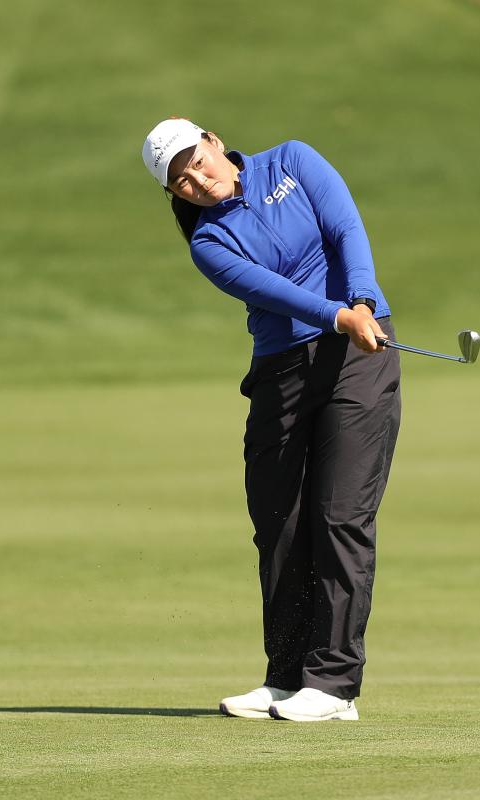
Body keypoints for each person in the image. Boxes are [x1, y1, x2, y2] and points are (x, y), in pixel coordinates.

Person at [141, 118, 401, 722]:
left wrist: (361, 301)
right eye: (181, 181)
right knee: (278, 520)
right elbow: (276, 292)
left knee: (340, 517)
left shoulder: (292, 160)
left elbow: (346, 228)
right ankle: (286, 678)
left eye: (196, 162)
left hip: (358, 359)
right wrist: (338, 314)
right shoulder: (208, 244)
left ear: (212, 141)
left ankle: (334, 687)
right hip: (283, 370)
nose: (197, 181)